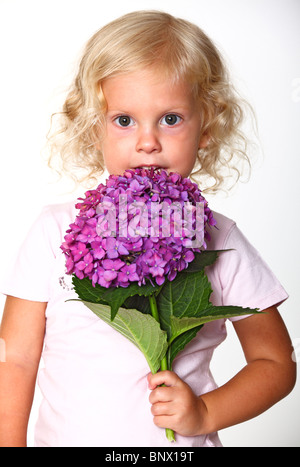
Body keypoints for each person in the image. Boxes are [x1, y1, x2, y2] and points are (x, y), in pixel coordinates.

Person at [0, 11, 296, 447]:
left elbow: (276, 362)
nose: (147, 141)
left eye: (170, 119)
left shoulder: (221, 239)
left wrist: (206, 412)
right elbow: (16, 360)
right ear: (92, 126)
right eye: (124, 120)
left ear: (207, 128)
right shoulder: (52, 231)